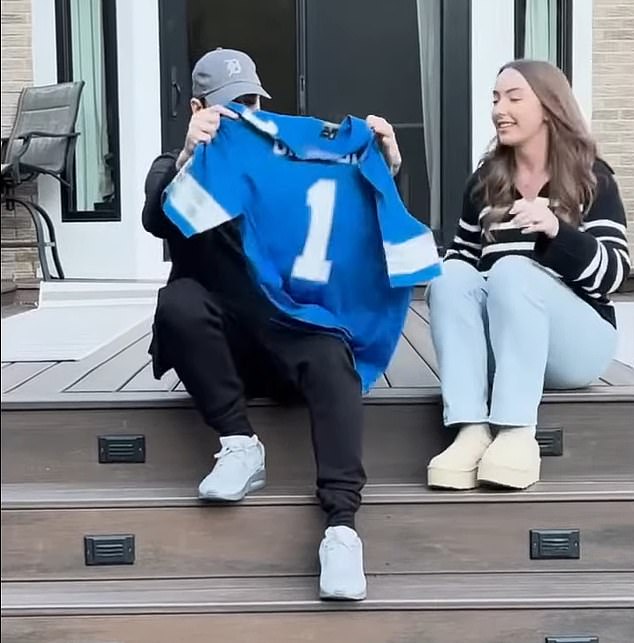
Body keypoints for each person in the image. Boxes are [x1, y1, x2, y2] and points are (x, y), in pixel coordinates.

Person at [142, 48, 403, 601]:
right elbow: (156, 217)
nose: (246, 112)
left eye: (253, 102)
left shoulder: (292, 159)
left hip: (290, 332)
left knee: (335, 357)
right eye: (231, 105)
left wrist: (381, 169)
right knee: (179, 303)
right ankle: (239, 443)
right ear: (197, 108)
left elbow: (356, 215)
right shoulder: (176, 167)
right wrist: (191, 154)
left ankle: (341, 530)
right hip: (225, 350)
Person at [426, 59, 630, 491]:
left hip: (575, 347)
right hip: (506, 348)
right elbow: (463, 260)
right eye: (496, 98)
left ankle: (517, 433)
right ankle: (470, 429)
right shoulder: (484, 182)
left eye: (514, 98)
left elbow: (614, 272)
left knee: (513, 271)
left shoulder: (592, 178)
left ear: (549, 107)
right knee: (449, 276)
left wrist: (558, 232)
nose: (500, 108)